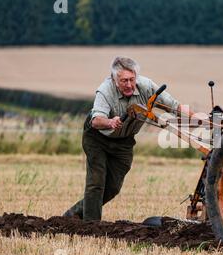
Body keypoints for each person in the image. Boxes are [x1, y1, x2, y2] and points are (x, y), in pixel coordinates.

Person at [63, 56, 189, 221]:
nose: (129, 85)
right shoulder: (105, 90)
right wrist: (110, 121)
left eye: (131, 79)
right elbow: (96, 121)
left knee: (113, 188)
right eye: (124, 81)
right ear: (115, 80)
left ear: (136, 76)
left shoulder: (147, 87)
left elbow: (175, 106)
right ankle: (91, 226)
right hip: (97, 138)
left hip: (124, 141)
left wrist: (200, 120)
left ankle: (73, 214)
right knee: (96, 182)